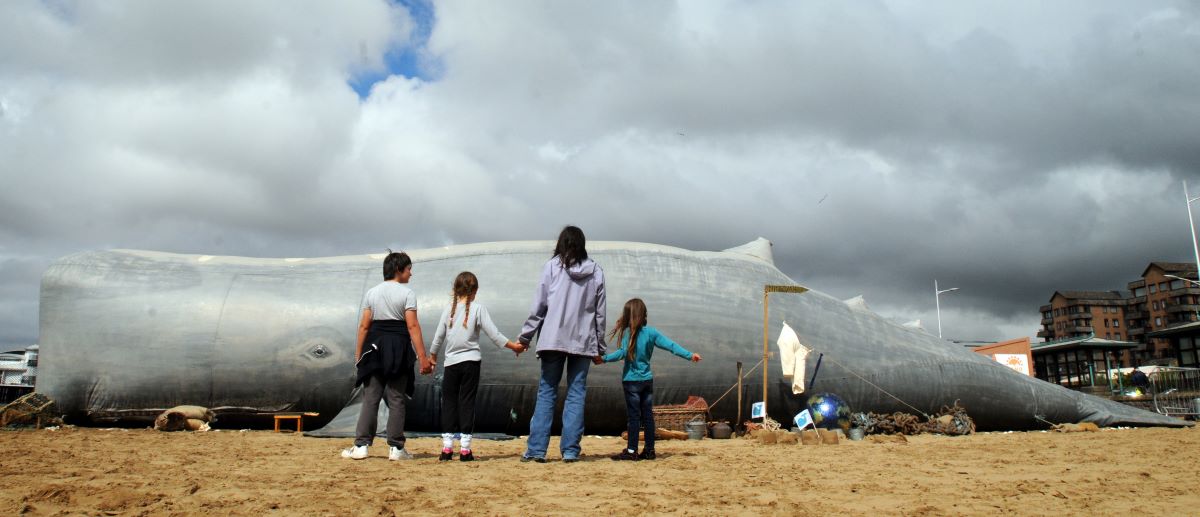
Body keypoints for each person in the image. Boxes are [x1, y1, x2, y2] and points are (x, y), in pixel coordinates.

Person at [517, 225, 606, 463]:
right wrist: (600, 347)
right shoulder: (596, 271)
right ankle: (570, 451)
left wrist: (525, 337)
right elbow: (600, 314)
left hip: (552, 340)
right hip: (583, 341)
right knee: (576, 394)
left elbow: (539, 306)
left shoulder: (552, 267)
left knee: (547, 392)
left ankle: (536, 451)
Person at [341, 251, 432, 461]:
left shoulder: (372, 293)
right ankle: (396, 449)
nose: (411, 274)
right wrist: (423, 357)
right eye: (409, 269)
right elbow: (412, 325)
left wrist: (359, 354)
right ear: (399, 270)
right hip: (399, 346)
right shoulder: (407, 294)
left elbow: (364, 325)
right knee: (397, 398)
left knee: (370, 398)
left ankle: (361, 446)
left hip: (374, 347)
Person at [428, 271, 525, 462]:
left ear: (455, 290)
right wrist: (514, 346)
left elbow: (439, 337)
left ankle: (447, 449)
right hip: (471, 362)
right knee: (467, 402)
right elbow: (494, 334)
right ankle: (465, 450)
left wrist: (432, 357)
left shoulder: (449, 310)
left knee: (449, 403)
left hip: (451, 364)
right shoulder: (478, 309)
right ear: (475, 291)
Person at [596, 298, 701, 461]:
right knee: (647, 417)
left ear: (628, 315)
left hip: (631, 382)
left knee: (633, 417)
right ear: (644, 315)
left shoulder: (628, 333)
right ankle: (650, 450)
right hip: (646, 381)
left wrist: (604, 359)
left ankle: (631, 451)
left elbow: (622, 353)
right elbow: (671, 345)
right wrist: (690, 355)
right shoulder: (651, 333)